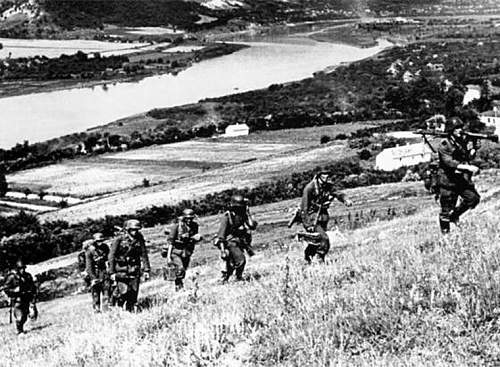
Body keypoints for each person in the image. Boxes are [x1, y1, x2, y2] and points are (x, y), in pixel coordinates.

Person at [437, 117, 481, 233]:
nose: (460, 130)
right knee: (446, 210)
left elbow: (467, 157)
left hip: (460, 179)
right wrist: (468, 167)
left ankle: (455, 215)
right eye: (457, 128)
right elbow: (449, 163)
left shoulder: (461, 142)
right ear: (451, 130)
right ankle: (446, 236)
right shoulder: (444, 144)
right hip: (448, 181)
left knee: (473, 198)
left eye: (461, 127)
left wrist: (474, 149)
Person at [300, 170, 352, 263]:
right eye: (324, 174)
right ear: (319, 175)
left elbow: (338, 193)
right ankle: (319, 260)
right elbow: (304, 208)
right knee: (324, 239)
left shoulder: (327, 186)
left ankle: (308, 259)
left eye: (328, 174)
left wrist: (345, 199)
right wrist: (308, 225)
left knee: (316, 241)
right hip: (313, 218)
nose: (327, 176)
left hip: (323, 217)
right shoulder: (309, 188)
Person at [108, 219, 150, 311]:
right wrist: (112, 272)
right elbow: (111, 256)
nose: (135, 232)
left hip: (134, 269)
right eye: (133, 230)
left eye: (137, 230)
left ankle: (129, 311)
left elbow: (143, 253)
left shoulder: (139, 237)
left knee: (133, 293)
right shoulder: (119, 239)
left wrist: (146, 269)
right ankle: (115, 305)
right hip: (121, 269)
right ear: (128, 229)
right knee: (123, 291)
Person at [215, 195, 258, 283]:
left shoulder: (243, 214)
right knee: (241, 260)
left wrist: (248, 213)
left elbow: (252, 226)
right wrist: (223, 251)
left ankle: (226, 279)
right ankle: (238, 278)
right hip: (230, 242)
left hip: (240, 241)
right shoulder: (227, 217)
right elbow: (221, 236)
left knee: (232, 263)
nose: (239, 209)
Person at [161, 209, 202, 291]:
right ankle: (179, 286)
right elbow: (170, 242)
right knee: (180, 268)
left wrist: (195, 238)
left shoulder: (194, 226)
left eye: (191, 218)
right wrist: (169, 257)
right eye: (187, 218)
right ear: (184, 218)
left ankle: (179, 285)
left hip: (186, 252)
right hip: (175, 252)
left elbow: (193, 238)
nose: (189, 220)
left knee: (183, 271)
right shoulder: (176, 227)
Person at [3, 260, 36, 335]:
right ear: (17, 269)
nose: (22, 270)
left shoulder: (28, 276)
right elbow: (6, 288)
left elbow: (33, 287)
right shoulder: (12, 277)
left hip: (26, 299)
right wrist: (15, 290)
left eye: (23, 268)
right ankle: (19, 331)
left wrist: (32, 297)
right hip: (17, 300)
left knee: (25, 317)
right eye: (20, 268)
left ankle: (21, 328)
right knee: (20, 317)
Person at [85, 232, 110, 313]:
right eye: (98, 241)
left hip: (104, 272)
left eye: (101, 241)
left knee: (106, 292)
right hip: (95, 273)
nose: (100, 243)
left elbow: (109, 259)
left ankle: (106, 310)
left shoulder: (105, 247)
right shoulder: (90, 251)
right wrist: (93, 278)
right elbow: (89, 266)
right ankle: (97, 311)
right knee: (96, 294)